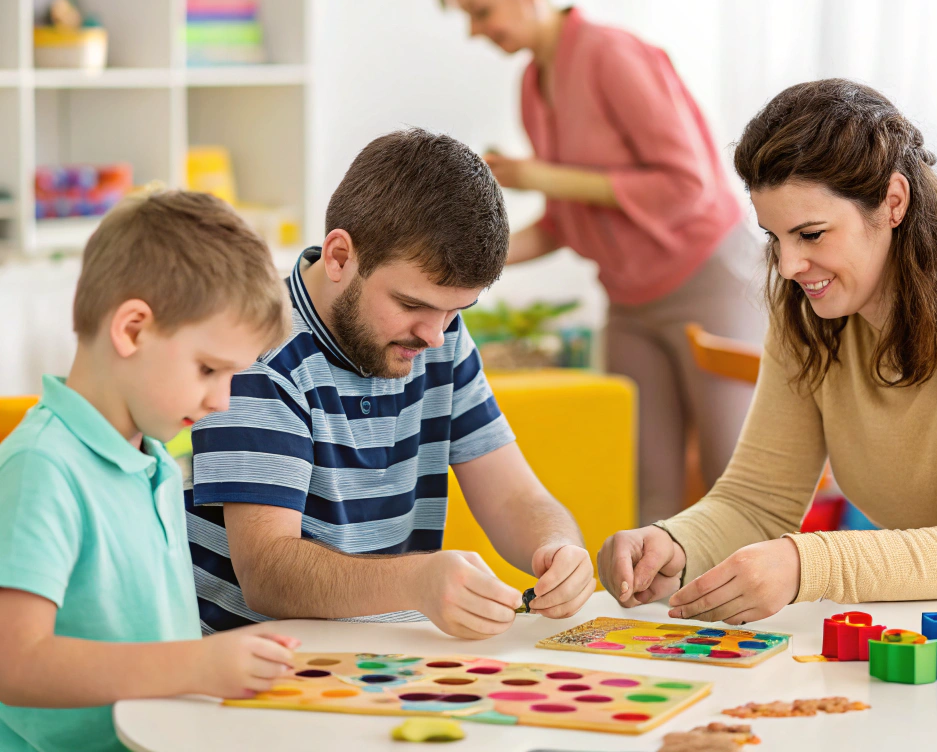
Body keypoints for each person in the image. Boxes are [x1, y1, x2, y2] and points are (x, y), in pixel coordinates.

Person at [598, 79, 937, 623]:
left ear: (893, 202)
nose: (789, 265)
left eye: (812, 234)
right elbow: (755, 501)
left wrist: (805, 563)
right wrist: (672, 544)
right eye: (775, 238)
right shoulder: (810, 317)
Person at [186, 128, 595, 640]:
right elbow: (268, 575)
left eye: (455, 310)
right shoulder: (254, 354)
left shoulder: (438, 334)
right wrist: (416, 581)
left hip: (382, 657)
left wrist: (558, 547)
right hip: (262, 670)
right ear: (339, 257)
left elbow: (514, 497)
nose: (434, 334)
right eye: (412, 304)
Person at [439, 0, 766, 524]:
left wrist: (540, 175)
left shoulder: (611, 54)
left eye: (481, 10)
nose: (476, 30)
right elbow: (567, 223)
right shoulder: (533, 86)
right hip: (628, 298)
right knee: (645, 487)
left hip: (704, 277)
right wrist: (462, 256)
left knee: (733, 477)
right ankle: (654, 616)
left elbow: (684, 184)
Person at [0, 190, 298, 752]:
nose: (224, 400)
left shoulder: (155, 464)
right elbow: (15, 661)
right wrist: (195, 666)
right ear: (132, 329)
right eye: (209, 368)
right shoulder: (43, 467)